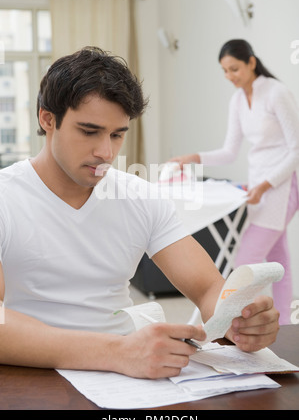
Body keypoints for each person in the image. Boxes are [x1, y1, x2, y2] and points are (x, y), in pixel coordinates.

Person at [0, 46, 279, 380]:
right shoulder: (7, 197)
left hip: (127, 375)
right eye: (89, 131)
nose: (105, 152)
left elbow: (207, 289)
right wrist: (115, 352)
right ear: (47, 119)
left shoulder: (141, 197)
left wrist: (238, 320)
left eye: (117, 134)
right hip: (32, 374)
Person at [170, 39, 299, 325]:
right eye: (225, 71)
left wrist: (265, 185)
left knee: (245, 261)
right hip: (258, 186)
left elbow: (296, 150)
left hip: (281, 186)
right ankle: (288, 329)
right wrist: (191, 157)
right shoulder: (238, 100)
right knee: (280, 261)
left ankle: (229, 325)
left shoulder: (277, 93)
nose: (230, 76)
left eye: (234, 69)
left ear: (251, 62)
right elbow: (229, 151)